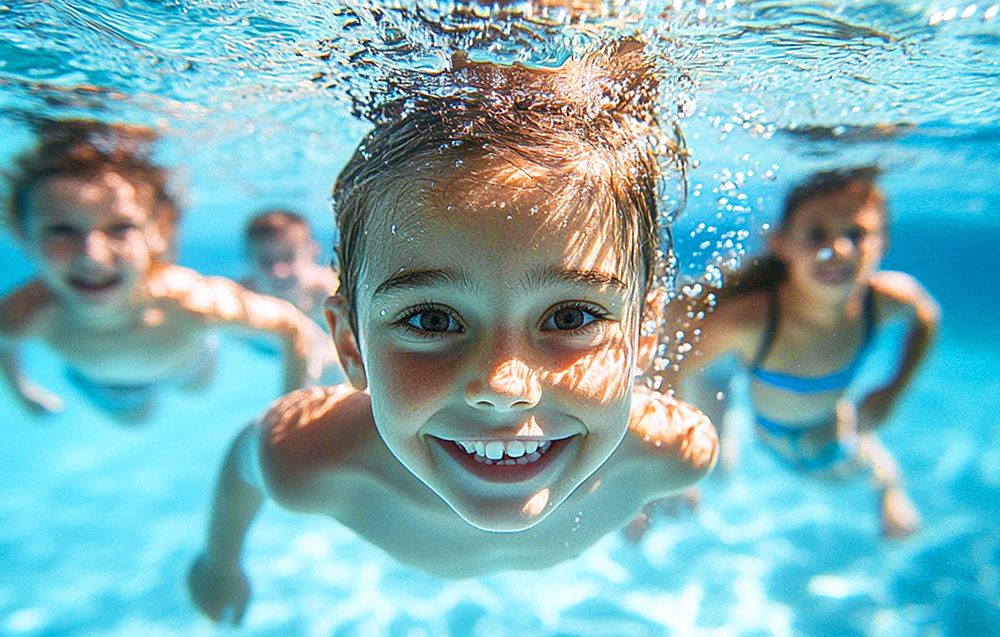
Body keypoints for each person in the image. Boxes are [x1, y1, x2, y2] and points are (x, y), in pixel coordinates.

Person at [187, 40, 718, 624]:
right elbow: (243, 462)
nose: (502, 384)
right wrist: (220, 562)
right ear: (349, 347)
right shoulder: (311, 459)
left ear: (642, 337)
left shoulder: (674, 453)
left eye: (571, 317)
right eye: (431, 320)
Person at [662, 166, 938, 539]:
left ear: (883, 244)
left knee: (846, 472)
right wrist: (673, 464)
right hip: (769, 425)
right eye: (816, 234)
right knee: (717, 473)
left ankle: (892, 492)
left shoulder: (885, 301)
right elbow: (675, 366)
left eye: (857, 234)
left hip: (826, 418)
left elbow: (926, 317)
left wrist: (893, 391)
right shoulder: (751, 321)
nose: (838, 249)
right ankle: (720, 387)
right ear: (781, 244)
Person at [0, 120, 322, 423]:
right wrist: (22, 393)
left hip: (186, 364)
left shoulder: (190, 300)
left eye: (120, 228)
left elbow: (292, 325)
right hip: (107, 384)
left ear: (160, 232)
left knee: (197, 388)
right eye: (61, 231)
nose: (92, 257)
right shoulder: (25, 313)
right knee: (135, 421)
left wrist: (289, 412)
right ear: (24, 236)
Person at [241, 209, 338, 328]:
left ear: (313, 253)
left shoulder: (332, 294)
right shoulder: (241, 299)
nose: (278, 272)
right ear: (249, 259)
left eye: (288, 257)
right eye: (265, 260)